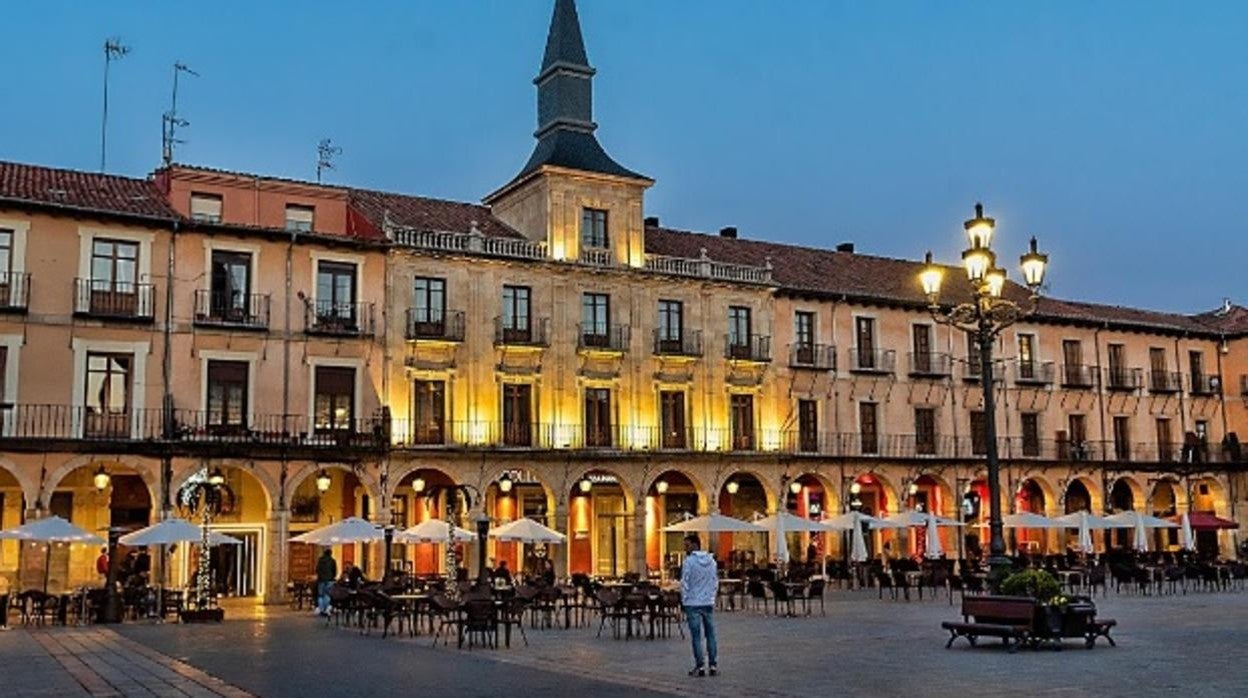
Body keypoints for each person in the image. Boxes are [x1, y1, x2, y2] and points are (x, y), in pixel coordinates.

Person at [680, 533, 718, 677]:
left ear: (695, 544)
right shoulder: (712, 561)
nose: (685, 548)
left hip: (692, 602)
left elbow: (685, 582)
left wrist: (684, 599)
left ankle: (700, 666)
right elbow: (715, 581)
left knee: (696, 636)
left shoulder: (689, 562)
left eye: (687, 545)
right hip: (707, 602)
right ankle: (713, 665)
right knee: (711, 634)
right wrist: (711, 596)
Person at [315, 549, 337, 616]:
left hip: (321, 580)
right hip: (329, 580)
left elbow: (317, 569)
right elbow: (334, 571)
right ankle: (326, 609)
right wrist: (332, 577)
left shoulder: (320, 560)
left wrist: (320, 576)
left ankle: (321, 609)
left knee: (320, 595)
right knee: (327, 594)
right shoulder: (332, 561)